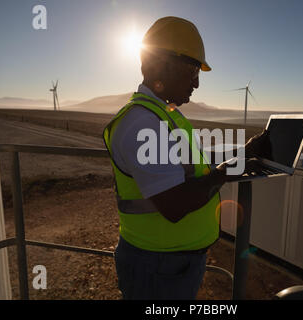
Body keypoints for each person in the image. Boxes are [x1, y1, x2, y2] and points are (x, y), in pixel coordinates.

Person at [103, 16, 270, 300]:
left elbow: (195, 164)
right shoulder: (143, 123)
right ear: (163, 64)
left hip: (169, 262)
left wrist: (244, 153)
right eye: (193, 70)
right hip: (158, 266)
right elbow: (174, 204)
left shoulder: (164, 115)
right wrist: (230, 171)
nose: (197, 83)